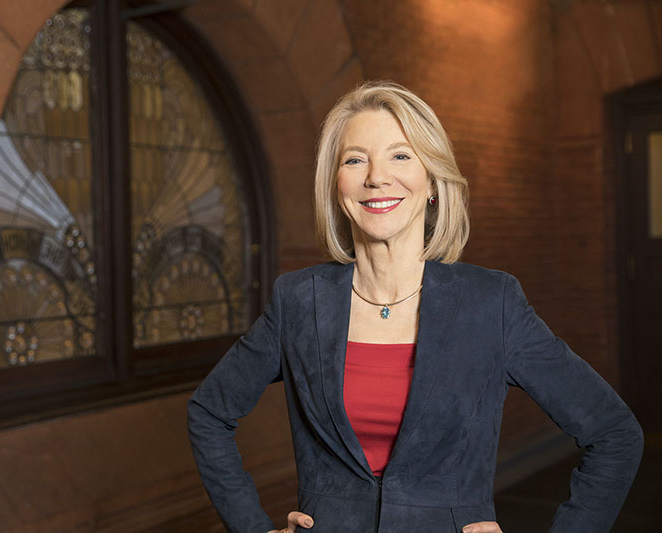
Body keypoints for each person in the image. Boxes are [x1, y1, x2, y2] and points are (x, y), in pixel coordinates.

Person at [187, 81, 643, 532]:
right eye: (354, 159)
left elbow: (614, 433)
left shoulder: (491, 304)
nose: (376, 177)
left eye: (400, 155)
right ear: (336, 185)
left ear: (432, 182)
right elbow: (209, 412)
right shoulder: (298, 300)